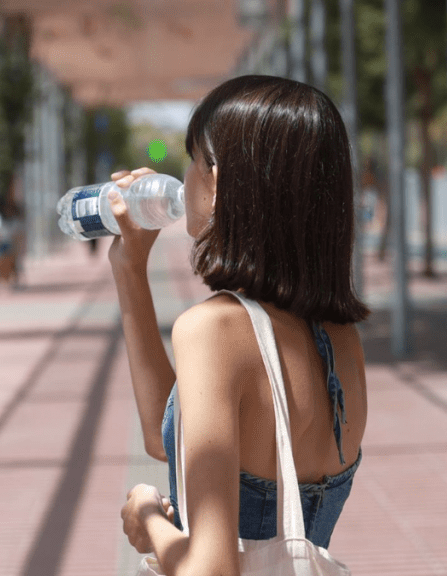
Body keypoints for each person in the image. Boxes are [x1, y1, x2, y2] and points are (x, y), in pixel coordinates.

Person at [111, 76, 370, 575]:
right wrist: (130, 271)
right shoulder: (341, 339)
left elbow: (211, 568)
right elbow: (164, 435)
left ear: (221, 180)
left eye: (192, 158)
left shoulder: (215, 329)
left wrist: (148, 522)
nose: (182, 177)